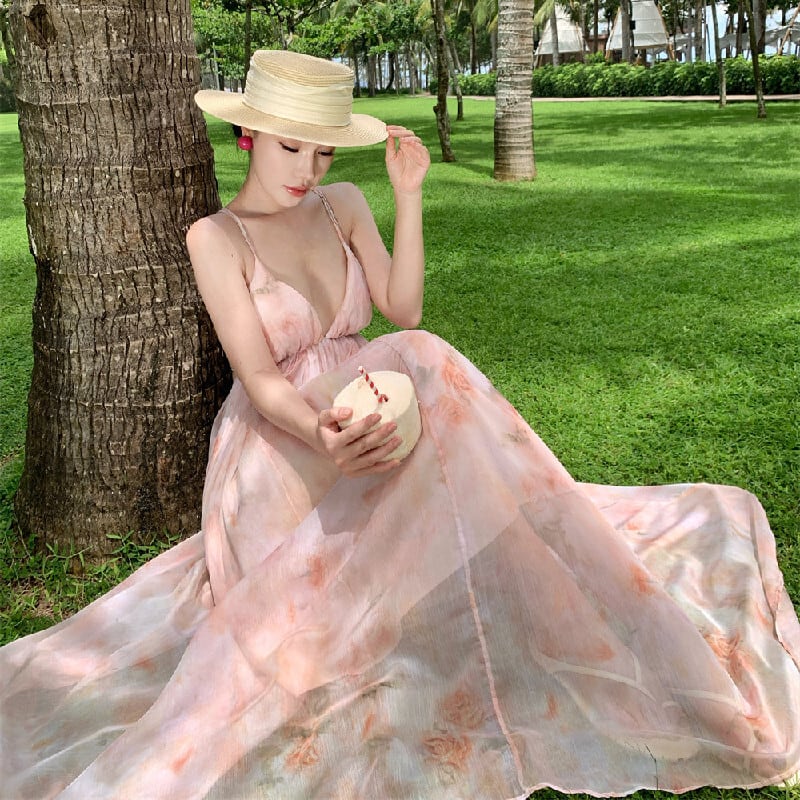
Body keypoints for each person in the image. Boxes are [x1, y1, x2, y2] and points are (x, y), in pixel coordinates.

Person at [1, 49, 798, 800]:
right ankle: (514, 547)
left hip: (379, 400)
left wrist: (408, 194)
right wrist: (322, 433)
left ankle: (555, 573)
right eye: (290, 148)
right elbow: (262, 381)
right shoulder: (215, 237)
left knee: (419, 362)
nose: (307, 170)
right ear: (249, 135)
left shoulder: (343, 205)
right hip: (285, 441)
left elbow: (403, 307)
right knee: (420, 365)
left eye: (323, 152)